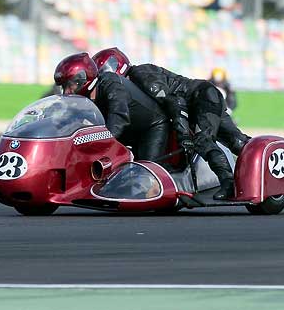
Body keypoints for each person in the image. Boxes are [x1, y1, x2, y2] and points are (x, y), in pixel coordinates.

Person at [92, 48, 251, 200]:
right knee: (237, 141)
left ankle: (229, 183)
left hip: (200, 97)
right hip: (199, 100)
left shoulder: (139, 73)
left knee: (206, 140)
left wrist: (184, 136)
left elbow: (175, 101)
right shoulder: (135, 84)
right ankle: (255, 175)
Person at [53, 53, 170, 162]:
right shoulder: (84, 98)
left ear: (83, 79)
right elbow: (71, 121)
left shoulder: (111, 84)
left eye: (70, 85)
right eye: (64, 87)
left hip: (151, 127)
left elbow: (118, 118)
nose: (67, 92)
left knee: (147, 172)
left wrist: (99, 146)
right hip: (128, 131)